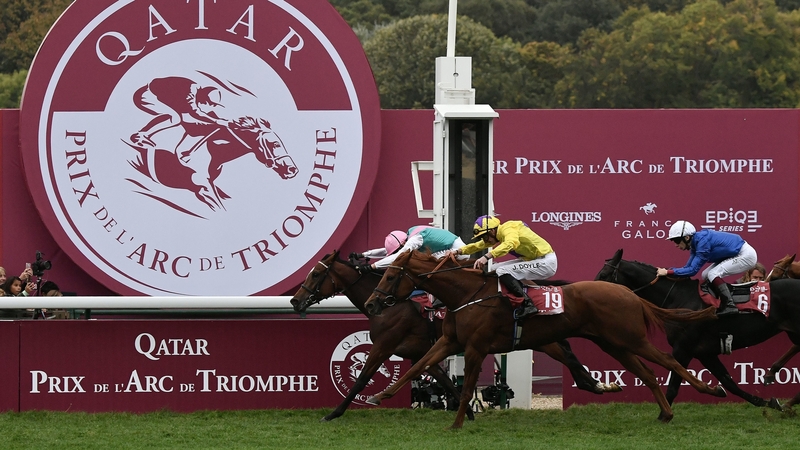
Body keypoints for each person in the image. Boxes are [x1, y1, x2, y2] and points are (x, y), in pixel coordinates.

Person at [454, 215, 558, 318]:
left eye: (484, 237)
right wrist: (458, 251)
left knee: (502, 270)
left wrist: (486, 256)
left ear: (492, 231)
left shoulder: (508, 228)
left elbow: (511, 243)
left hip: (546, 262)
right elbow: (478, 245)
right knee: (494, 269)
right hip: (536, 260)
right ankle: (525, 295)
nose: (485, 241)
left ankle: (528, 304)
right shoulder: (498, 234)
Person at [656, 220, 757, 315]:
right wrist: (669, 271)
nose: (675, 245)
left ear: (687, 238)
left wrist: (668, 272)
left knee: (713, 274)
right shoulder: (695, 243)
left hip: (746, 255)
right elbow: (687, 267)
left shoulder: (703, 242)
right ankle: (716, 301)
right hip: (736, 253)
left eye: (676, 241)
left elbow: (692, 271)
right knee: (705, 275)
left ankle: (730, 305)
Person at [356, 226, 470, 270]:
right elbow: (387, 250)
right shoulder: (409, 235)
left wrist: (372, 267)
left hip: (459, 251)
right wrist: (363, 255)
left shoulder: (415, 239)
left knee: (422, 264)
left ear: (403, 243)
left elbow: (398, 256)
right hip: (453, 247)